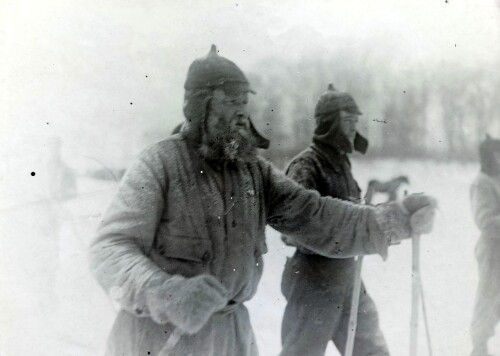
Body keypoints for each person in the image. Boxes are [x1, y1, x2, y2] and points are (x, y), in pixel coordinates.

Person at [88, 45, 437, 356]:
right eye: (229, 102)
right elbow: (109, 248)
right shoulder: (159, 164)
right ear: (199, 107)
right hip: (160, 336)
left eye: (244, 103)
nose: (241, 114)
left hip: (232, 334)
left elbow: (317, 215)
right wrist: (164, 292)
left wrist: (391, 220)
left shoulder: (253, 172)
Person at [280, 84, 389, 356]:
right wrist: (342, 235)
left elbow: (352, 215)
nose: (354, 128)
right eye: (348, 121)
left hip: (348, 277)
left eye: (356, 121)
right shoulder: (306, 166)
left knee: (371, 350)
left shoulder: (342, 164)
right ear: (329, 123)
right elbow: (291, 228)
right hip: (313, 280)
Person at [470, 135, 500, 356]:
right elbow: (486, 221)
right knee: (488, 298)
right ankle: (479, 347)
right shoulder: (482, 182)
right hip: (492, 250)